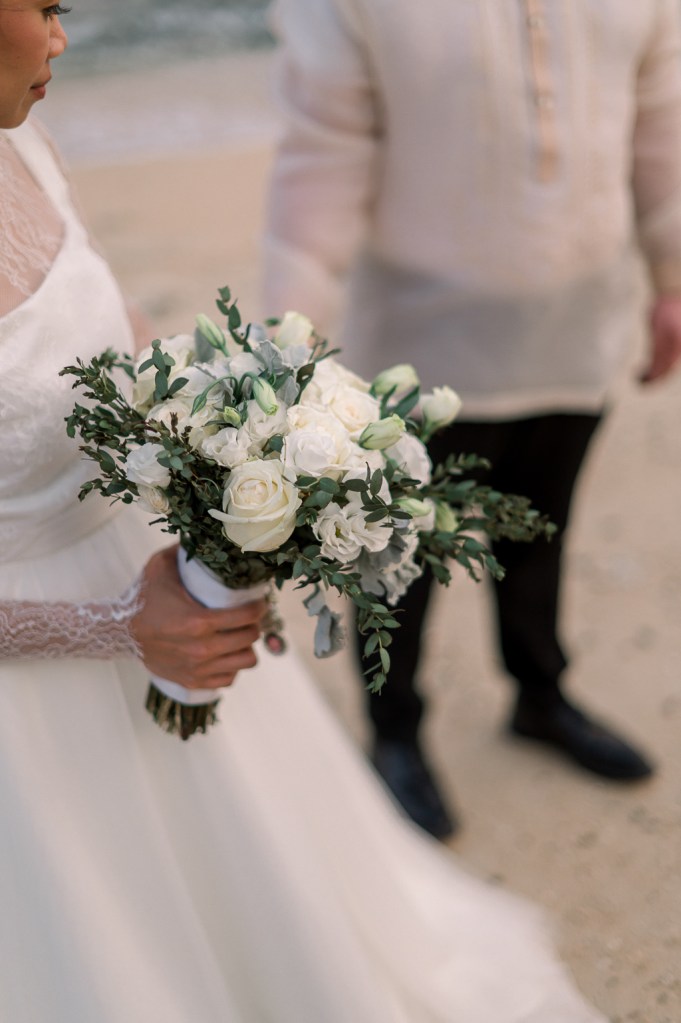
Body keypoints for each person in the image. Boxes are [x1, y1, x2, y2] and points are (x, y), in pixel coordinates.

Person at [0, 3, 613, 1021]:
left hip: (162, 583)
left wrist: (239, 475)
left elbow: (117, 327)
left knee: (266, 885)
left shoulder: (25, 140)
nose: (65, 40)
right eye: (44, 9)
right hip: (36, 713)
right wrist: (114, 628)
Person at [262, 0, 681, 838]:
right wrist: (286, 351)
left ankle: (538, 694)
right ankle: (395, 732)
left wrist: (671, 273)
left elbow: (660, 121)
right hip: (420, 347)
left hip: (577, 327)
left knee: (537, 532)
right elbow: (323, 157)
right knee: (391, 561)